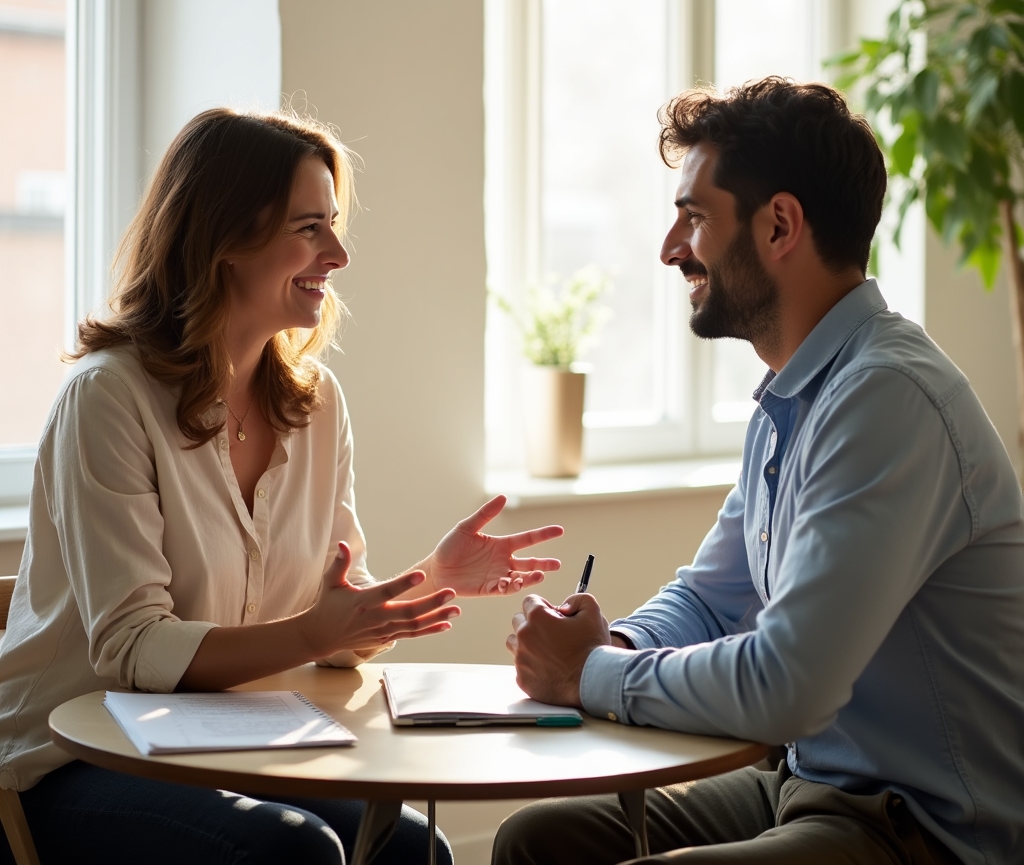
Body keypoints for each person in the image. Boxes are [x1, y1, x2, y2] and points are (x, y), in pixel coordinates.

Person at [0, 107, 563, 865]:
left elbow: (332, 627)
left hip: (233, 744)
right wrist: (314, 633)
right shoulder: (109, 399)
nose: (338, 252)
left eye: (333, 224)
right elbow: (133, 649)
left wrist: (431, 578)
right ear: (227, 239)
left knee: (413, 850)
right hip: (71, 757)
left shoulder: (315, 403)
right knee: (289, 852)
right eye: (309, 228)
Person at [497, 78, 1024, 865]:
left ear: (780, 224)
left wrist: (591, 675)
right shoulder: (798, 395)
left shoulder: (887, 398)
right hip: (811, 783)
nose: (672, 248)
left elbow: (788, 685)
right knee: (541, 839)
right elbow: (713, 596)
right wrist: (614, 639)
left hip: (926, 827)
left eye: (695, 216)